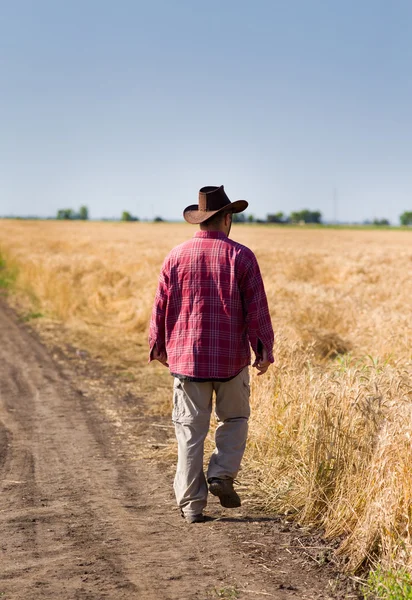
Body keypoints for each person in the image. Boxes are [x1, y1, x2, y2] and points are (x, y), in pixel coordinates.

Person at [149, 185, 274, 523]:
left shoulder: (175, 256)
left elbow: (160, 305)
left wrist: (157, 346)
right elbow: (256, 309)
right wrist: (262, 349)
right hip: (231, 361)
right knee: (234, 420)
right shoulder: (242, 256)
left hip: (187, 360)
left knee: (190, 431)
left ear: (200, 220)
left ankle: (191, 507)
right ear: (227, 218)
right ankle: (221, 473)